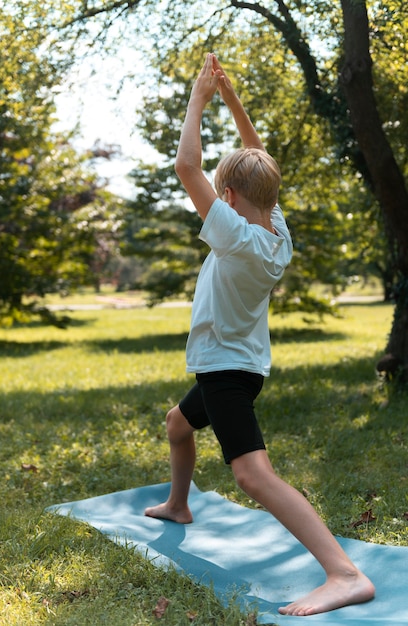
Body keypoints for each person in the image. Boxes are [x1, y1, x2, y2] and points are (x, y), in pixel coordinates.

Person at [145, 53, 375, 617]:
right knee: (179, 424)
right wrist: (232, 100)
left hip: (226, 368)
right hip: (239, 363)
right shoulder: (275, 230)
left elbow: (186, 167)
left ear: (225, 200)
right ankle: (179, 504)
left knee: (251, 474)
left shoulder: (235, 238)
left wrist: (199, 96)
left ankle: (344, 573)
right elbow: (257, 163)